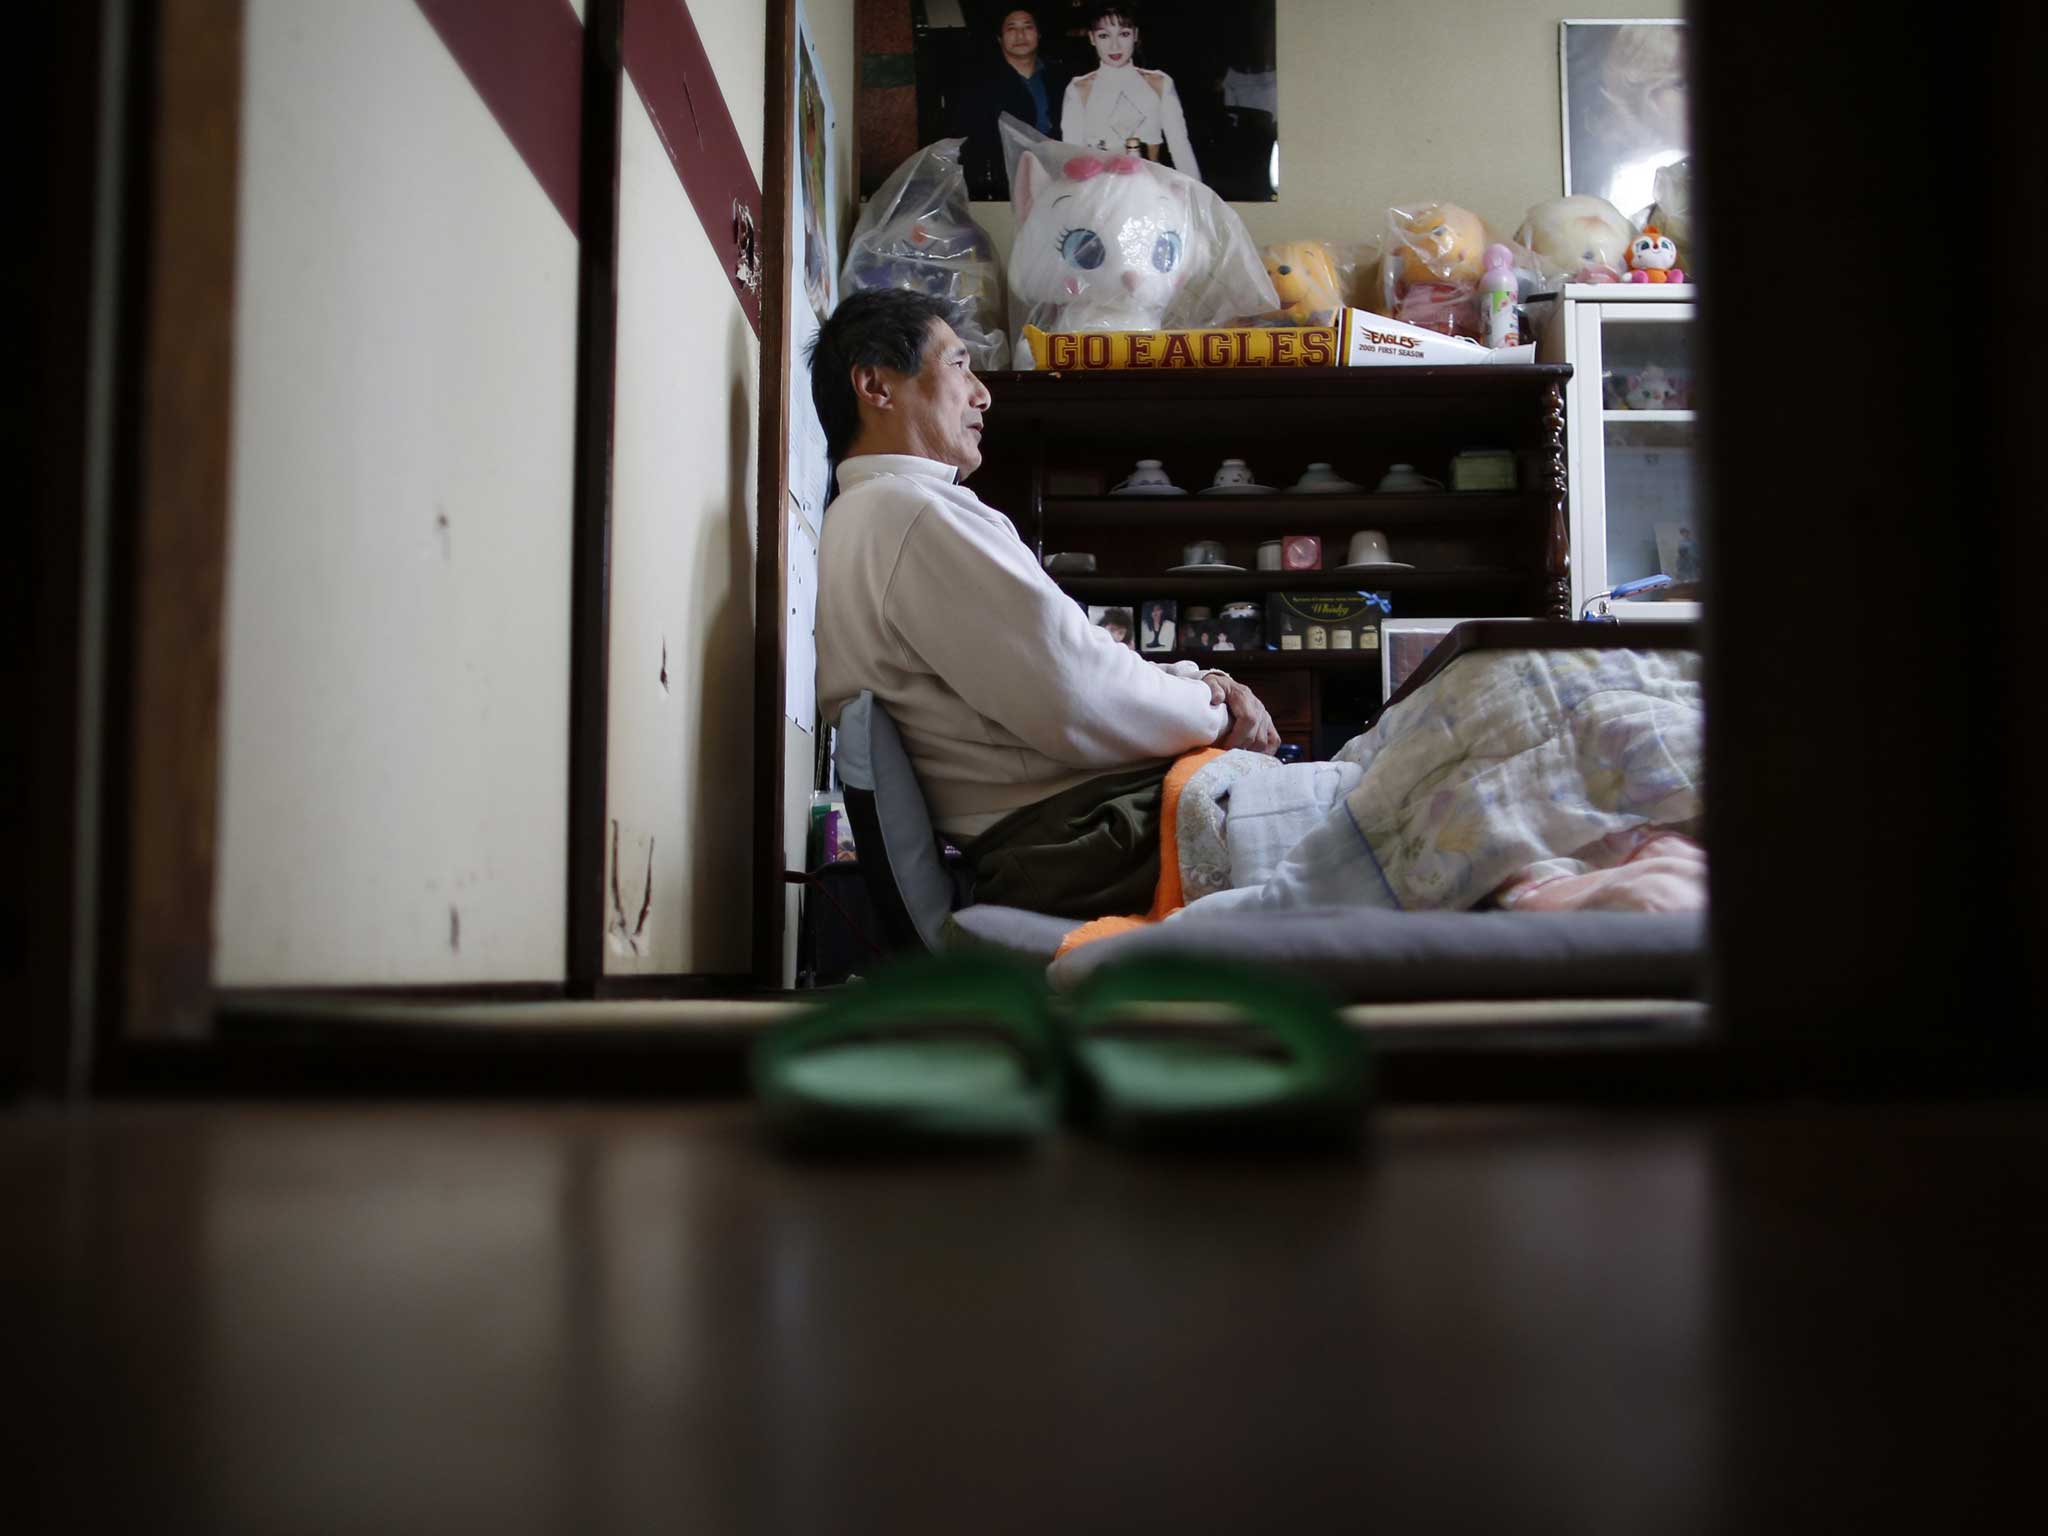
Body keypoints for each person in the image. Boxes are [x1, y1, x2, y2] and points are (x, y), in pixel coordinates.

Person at [810, 288, 1277, 918]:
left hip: (1063, 837)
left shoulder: (873, 516)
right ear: (876, 386)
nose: (982, 393)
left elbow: (1068, 665)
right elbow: (1079, 693)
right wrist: (1218, 714)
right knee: (1396, 803)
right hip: (1083, 838)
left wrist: (1198, 681)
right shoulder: (909, 513)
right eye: (958, 365)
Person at [1061, 5, 1200, 183]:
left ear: (1135, 34)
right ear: (1092, 38)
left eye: (1124, 34)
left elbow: (1181, 148)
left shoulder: (1159, 83)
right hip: (1100, 191)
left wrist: (1198, 197)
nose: (1115, 45)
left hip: (1151, 188)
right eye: (1104, 35)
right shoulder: (1079, 89)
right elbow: (1072, 156)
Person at [954, 8, 1070, 200]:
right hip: (1005, 182)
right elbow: (972, 141)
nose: (1020, 35)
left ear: (1039, 34)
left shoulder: (1061, 77)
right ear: (1000, 38)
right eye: (1011, 28)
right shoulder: (980, 82)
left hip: (1058, 177)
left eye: (1027, 27)